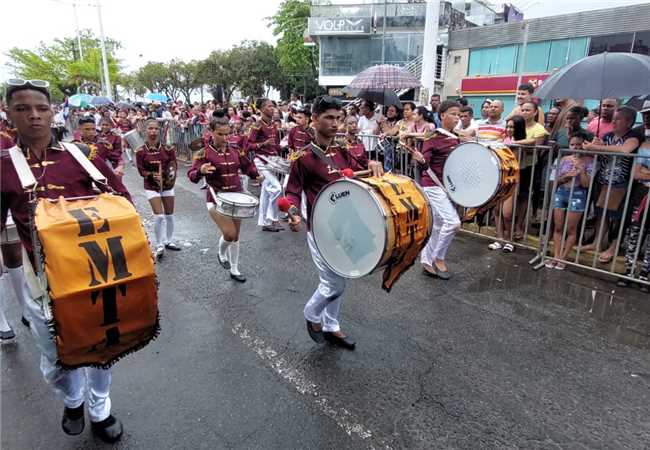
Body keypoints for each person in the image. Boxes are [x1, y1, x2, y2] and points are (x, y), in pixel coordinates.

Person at [1, 80, 129, 442]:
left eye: (41, 107)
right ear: (9, 114)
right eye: (23, 108)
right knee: (57, 356)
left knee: (103, 346)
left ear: (53, 110)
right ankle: (72, 399)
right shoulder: (4, 167)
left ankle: (100, 408)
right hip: (40, 278)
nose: (34, 115)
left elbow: (123, 201)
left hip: (94, 271)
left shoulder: (83, 154)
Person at [284, 96, 383, 350]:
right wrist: (294, 212)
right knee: (334, 283)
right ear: (314, 120)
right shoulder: (303, 157)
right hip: (320, 228)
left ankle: (331, 325)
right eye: (329, 118)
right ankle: (311, 313)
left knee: (342, 276)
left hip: (346, 223)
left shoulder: (342, 151)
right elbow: (292, 192)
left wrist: (372, 163)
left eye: (339, 118)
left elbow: (362, 168)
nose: (335, 124)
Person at [187, 112, 262, 282]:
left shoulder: (235, 149)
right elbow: (191, 175)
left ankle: (235, 269)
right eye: (220, 134)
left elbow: (247, 165)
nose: (225, 137)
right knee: (229, 234)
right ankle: (221, 253)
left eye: (227, 133)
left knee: (236, 236)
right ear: (211, 132)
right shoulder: (203, 152)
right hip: (216, 199)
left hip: (237, 197)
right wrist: (200, 171)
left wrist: (255, 175)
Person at [411, 101, 462, 279]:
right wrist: (420, 160)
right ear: (442, 116)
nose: (457, 117)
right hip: (432, 186)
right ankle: (437, 257)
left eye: (459, 114)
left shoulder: (456, 137)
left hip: (448, 187)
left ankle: (426, 261)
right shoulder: (432, 136)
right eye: (453, 113)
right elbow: (425, 165)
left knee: (439, 225)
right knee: (453, 223)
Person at [583, 106, 641, 263]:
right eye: (613, 119)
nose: (613, 122)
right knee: (601, 214)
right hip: (603, 181)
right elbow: (602, 151)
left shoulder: (633, 136)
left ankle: (613, 247)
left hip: (620, 184)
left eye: (618, 119)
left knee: (618, 217)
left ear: (629, 122)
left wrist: (596, 147)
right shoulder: (608, 136)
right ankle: (596, 243)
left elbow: (625, 150)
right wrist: (598, 145)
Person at [135, 118, 181, 259]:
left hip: (167, 185)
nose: (153, 131)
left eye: (156, 128)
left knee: (169, 215)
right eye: (150, 128)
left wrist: (168, 176)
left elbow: (174, 166)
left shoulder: (168, 148)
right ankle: (159, 244)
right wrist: (151, 175)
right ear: (145, 131)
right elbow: (141, 171)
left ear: (159, 130)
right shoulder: (140, 151)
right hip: (151, 186)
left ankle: (169, 241)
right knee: (159, 216)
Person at [548, 133, 594, 270]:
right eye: (573, 144)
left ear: (585, 145)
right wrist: (566, 176)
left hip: (578, 193)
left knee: (571, 229)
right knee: (558, 226)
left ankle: (564, 257)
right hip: (561, 192)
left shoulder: (590, 161)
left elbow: (586, 184)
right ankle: (556, 255)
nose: (576, 147)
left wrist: (582, 170)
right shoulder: (563, 158)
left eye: (579, 144)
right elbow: (555, 179)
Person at [488, 115, 527, 252]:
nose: (509, 129)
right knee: (497, 210)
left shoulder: (521, 142)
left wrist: (512, 144)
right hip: (498, 179)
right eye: (508, 126)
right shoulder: (503, 140)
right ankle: (499, 238)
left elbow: (533, 142)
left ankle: (509, 240)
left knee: (507, 214)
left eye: (513, 127)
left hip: (512, 180)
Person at [247, 98, 283, 232]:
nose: (272, 108)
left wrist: (284, 148)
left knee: (266, 193)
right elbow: (248, 145)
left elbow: (276, 145)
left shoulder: (274, 124)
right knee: (277, 187)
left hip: (273, 161)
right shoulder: (257, 125)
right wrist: (263, 144)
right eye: (269, 106)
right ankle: (272, 218)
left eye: (273, 106)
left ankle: (264, 222)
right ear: (261, 109)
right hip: (261, 161)